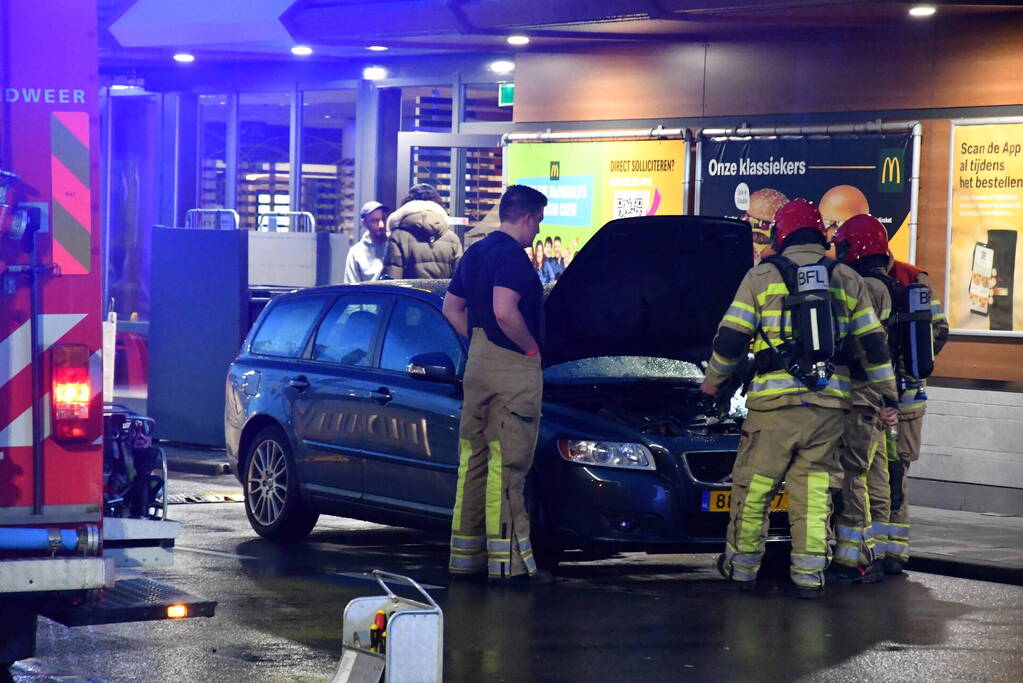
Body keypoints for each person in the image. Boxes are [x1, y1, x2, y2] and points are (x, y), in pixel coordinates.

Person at [700, 198, 898, 599]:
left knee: (755, 488)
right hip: (829, 407)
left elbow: (732, 337)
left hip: (773, 409)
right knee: (814, 492)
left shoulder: (761, 276)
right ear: (821, 236)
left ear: (781, 234)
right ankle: (809, 575)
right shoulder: (846, 278)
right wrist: (887, 394)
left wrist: (713, 381)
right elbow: (874, 345)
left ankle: (742, 569)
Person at [442, 184, 553, 585]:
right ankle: (511, 566)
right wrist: (528, 349)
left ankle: (465, 559)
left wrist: (477, 342)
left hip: (477, 361)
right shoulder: (513, 258)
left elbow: (451, 308)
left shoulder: (475, 252)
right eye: (538, 221)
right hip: (511, 366)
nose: (538, 230)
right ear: (526, 218)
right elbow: (505, 311)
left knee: (473, 460)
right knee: (508, 464)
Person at [827, 214, 901, 584]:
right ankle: (880, 552)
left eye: (841, 245)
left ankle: (850, 556)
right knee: (877, 475)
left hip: (858, 394)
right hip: (876, 394)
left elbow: (861, 344)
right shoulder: (889, 285)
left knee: (851, 474)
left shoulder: (865, 287)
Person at [883, 254, 949, 574]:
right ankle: (892, 552)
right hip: (908, 399)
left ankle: (883, 551)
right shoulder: (916, 280)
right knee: (895, 476)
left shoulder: (865, 280)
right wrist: (912, 368)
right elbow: (941, 331)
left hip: (883, 400)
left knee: (884, 476)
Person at [382, 186, 462, 279]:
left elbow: (392, 282)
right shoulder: (452, 239)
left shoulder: (398, 237)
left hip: (410, 294)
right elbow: (458, 283)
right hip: (442, 294)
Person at [343, 201, 389, 283]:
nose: (382, 225)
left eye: (383, 219)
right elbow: (352, 285)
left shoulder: (393, 245)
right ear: (365, 223)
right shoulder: (356, 252)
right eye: (375, 221)